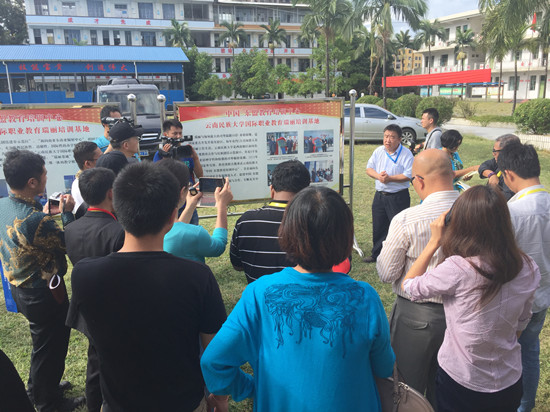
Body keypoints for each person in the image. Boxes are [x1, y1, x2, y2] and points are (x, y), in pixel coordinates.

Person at [201, 186, 395, 411]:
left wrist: (253, 387)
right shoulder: (365, 297)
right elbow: (384, 367)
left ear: (288, 233)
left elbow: (214, 361)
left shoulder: (260, 292)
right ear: (345, 236)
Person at [70, 162, 227, 412]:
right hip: (182, 402)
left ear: (118, 209)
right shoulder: (197, 277)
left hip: (118, 404)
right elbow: (215, 350)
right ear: (172, 217)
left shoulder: (84, 274)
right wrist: (220, 397)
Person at [401, 185, 540, 412]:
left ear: (460, 223)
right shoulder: (527, 266)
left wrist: (433, 242)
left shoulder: (459, 268)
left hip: (462, 380)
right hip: (509, 379)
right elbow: (521, 325)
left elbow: (410, 286)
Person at [0, 149, 84, 412]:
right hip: (44, 294)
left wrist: (44, 211)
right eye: (44, 173)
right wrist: (67, 213)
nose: (48, 176)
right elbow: (68, 241)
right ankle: (49, 402)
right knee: (53, 346)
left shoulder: (5, 204)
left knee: (43, 343)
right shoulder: (35, 220)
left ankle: (38, 387)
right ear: (32, 182)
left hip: (20, 289)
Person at [376, 148, 459, 406]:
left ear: (419, 181)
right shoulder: (477, 211)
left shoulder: (408, 219)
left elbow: (386, 272)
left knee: (407, 390)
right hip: (463, 313)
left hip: (416, 315)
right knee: (447, 386)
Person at [64, 167, 124, 412]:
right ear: (112, 193)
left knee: (95, 361)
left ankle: (94, 404)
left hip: (86, 307)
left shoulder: (71, 228)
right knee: (112, 362)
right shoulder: (118, 231)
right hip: (114, 308)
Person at [497, 142, 550, 412]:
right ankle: (525, 405)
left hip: (514, 302)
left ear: (508, 174)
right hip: (542, 297)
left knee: (505, 355)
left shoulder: (513, 212)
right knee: (529, 353)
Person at [230, 160, 310, 283]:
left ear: (272, 189)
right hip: (303, 298)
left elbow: (237, 265)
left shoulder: (245, 221)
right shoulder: (315, 221)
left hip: (261, 298)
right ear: (306, 191)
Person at [157, 159, 233, 263]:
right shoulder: (194, 234)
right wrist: (222, 206)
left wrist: (190, 206)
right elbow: (218, 247)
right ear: (182, 192)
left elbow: (177, 228)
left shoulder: (148, 227)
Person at [364, 124, 414, 263]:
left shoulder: (406, 154)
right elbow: (369, 168)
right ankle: (377, 254)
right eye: (386, 136)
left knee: (398, 228)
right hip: (380, 195)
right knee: (379, 225)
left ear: (399, 139)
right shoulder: (379, 151)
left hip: (398, 196)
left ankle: (398, 256)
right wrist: (379, 177)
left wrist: (390, 178)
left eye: (392, 137)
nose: (388, 140)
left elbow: (409, 175)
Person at [154, 119, 204, 225]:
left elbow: (200, 175)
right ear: (166, 134)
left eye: (180, 133)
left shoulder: (185, 152)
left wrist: (195, 159)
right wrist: (165, 157)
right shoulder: (160, 154)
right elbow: (156, 177)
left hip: (188, 201)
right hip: (170, 203)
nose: (178, 137)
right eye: (174, 133)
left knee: (192, 231)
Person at [478, 133, 520, 201]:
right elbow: (484, 166)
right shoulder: (500, 161)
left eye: (495, 151)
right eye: (493, 150)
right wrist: (491, 175)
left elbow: (506, 198)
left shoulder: (513, 172)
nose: (493, 154)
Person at [71, 141, 102, 215]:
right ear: (88, 163)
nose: (103, 160)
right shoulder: (87, 185)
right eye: (100, 158)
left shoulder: (81, 180)